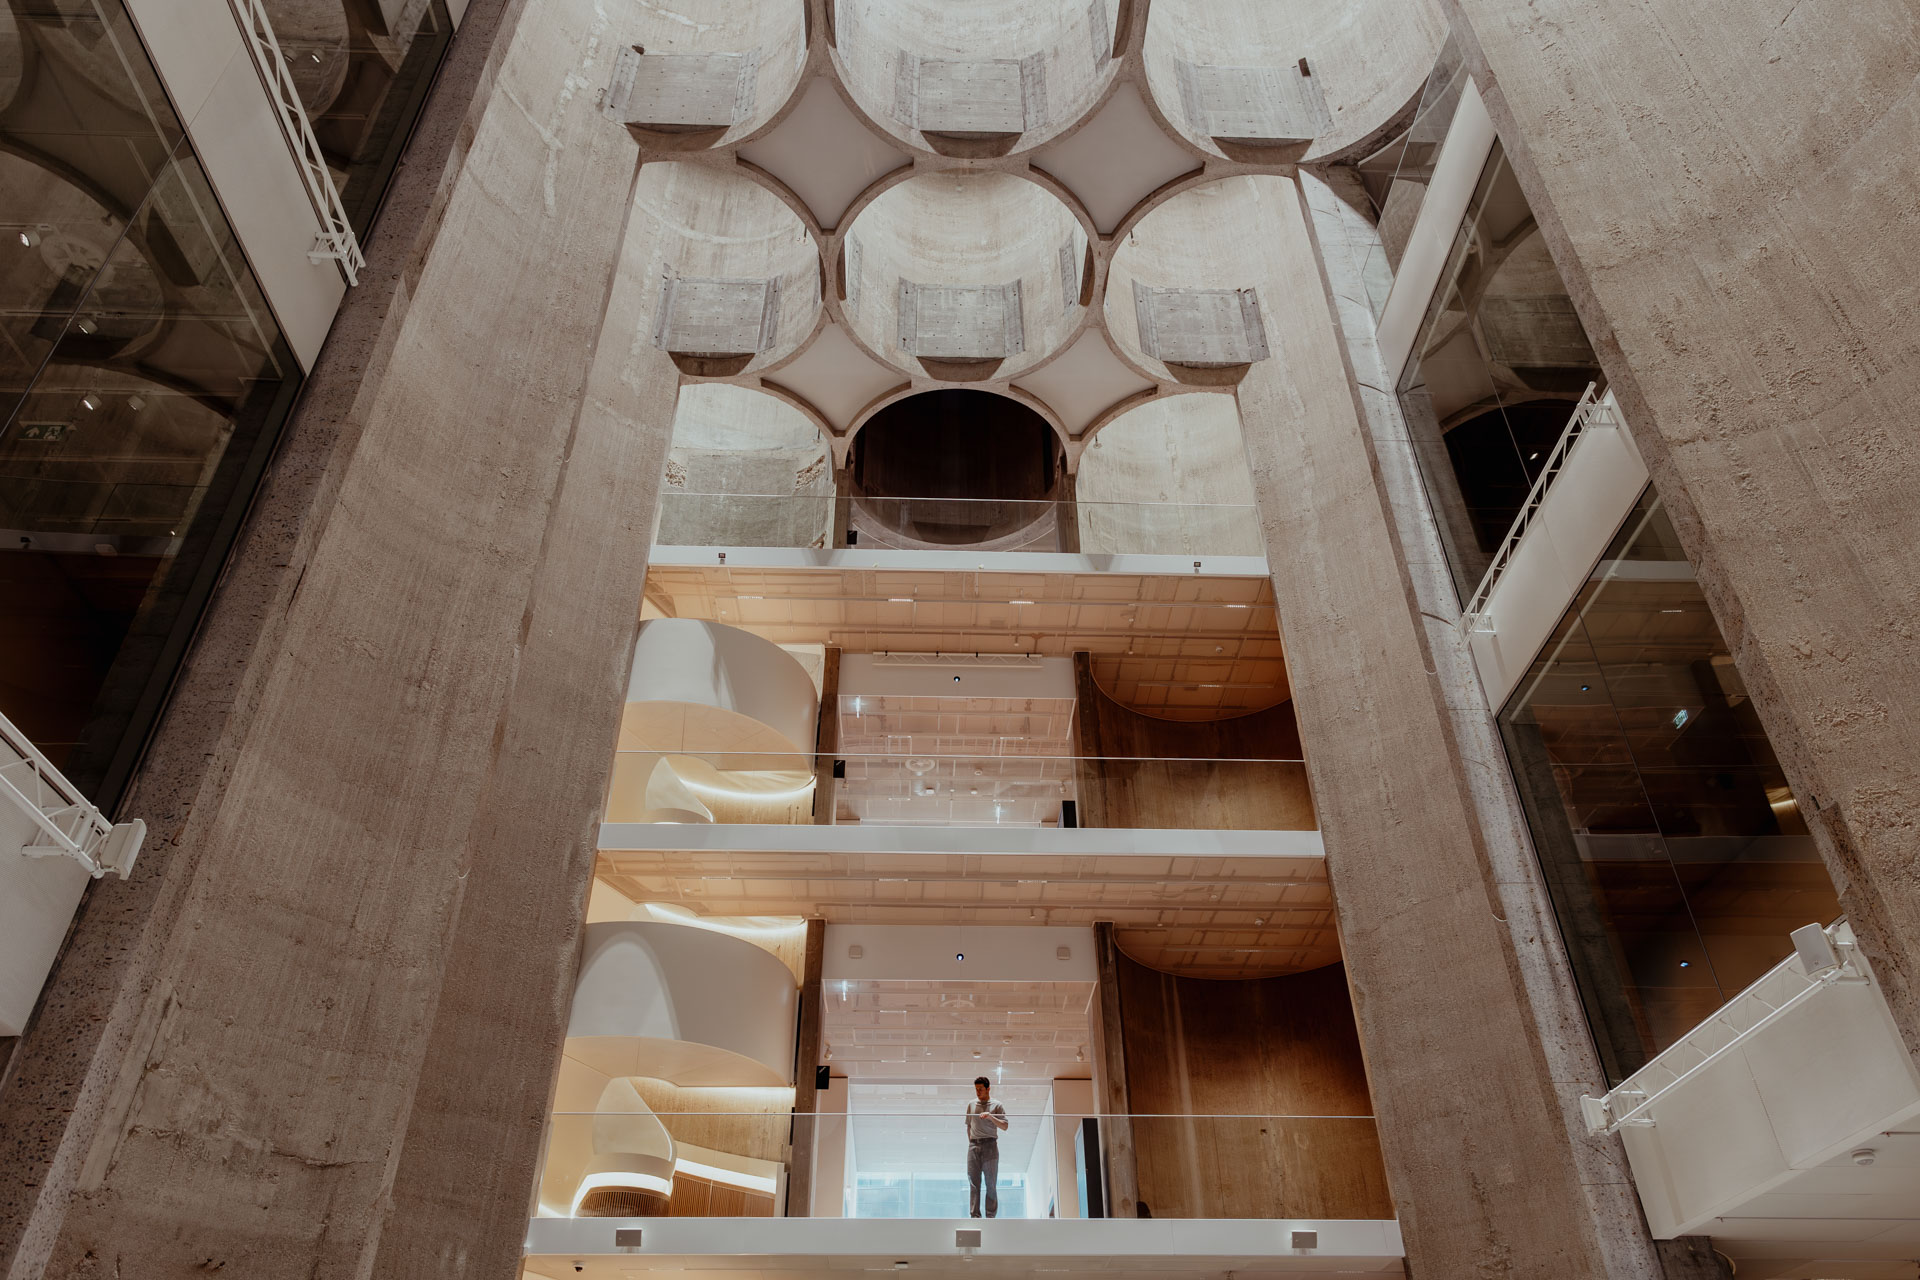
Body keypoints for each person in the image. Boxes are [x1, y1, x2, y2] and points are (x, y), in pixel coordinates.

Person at [964, 1075, 1008, 1218]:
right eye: (976, 1089)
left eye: (981, 1089)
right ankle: (975, 1215)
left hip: (990, 1145)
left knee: (991, 1183)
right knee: (973, 1182)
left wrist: (990, 1116)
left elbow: (1005, 1126)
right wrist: (972, 1142)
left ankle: (990, 1216)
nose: (978, 1092)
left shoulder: (997, 1105)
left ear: (988, 1089)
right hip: (974, 1146)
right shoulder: (971, 1104)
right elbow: (969, 1126)